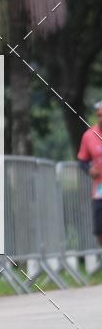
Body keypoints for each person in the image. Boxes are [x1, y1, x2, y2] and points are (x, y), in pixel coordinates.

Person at [77, 100, 102, 246]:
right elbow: (82, 161)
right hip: (99, 189)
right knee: (99, 229)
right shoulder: (89, 136)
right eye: (99, 115)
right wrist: (89, 170)